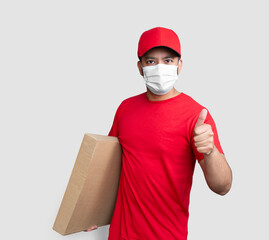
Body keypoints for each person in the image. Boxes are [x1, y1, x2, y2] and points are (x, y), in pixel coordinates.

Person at [84, 27, 232, 239]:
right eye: (151, 61)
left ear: (180, 65)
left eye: (168, 61)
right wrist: (91, 212)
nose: (160, 67)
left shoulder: (197, 116)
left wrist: (210, 152)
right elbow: (109, 167)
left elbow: (223, 187)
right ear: (140, 67)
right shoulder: (125, 108)